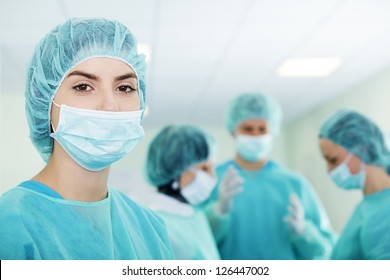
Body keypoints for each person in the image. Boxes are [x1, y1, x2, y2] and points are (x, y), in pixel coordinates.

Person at [0, 18, 174, 260]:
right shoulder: (11, 224)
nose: (110, 106)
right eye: (83, 86)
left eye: (125, 88)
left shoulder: (150, 226)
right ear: (44, 103)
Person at [207, 92, 336, 260]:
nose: (255, 135)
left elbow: (324, 250)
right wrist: (217, 215)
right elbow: (196, 242)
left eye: (262, 129)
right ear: (233, 132)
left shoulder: (295, 183)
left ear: (272, 132)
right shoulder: (213, 180)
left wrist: (303, 232)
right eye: (248, 129)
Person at [144, 125, 223, 259]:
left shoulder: (195, 214)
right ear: (175, 170)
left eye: (212, 167)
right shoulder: (154, 226)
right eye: (204, 168)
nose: (213, 176)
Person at [319, 109, 390, 259]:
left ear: (361, 149)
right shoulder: (367, 206)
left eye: (333, 160)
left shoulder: (385, 209)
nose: (329, 170)